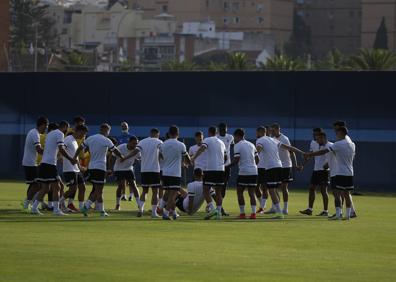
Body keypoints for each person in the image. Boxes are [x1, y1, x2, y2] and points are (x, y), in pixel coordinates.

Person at [304, 127, 356, 220]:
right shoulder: (351, 144)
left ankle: (338, 214)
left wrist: (310, 154)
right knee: (346, 194)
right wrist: (328, 164)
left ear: (341, 133)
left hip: (337, 173)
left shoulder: (336, 144)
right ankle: (347, 215)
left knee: (337, 194)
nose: (317, 140)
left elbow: (324, 151)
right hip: (349, 172)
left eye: (318, 138)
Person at [75, 123, 124, 217]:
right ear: (107, 130)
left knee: (96, 190)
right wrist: (122, 157)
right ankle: (86, 207)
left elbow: (80, 147)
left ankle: (101, 211)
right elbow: (115, 150)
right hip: (100, 168)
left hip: (91, 167)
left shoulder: (91, 138)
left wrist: (74, 157)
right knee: (99, 190)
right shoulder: (106, 140)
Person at [256, 126, 304, 219]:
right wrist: (302, 152)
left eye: (256, 132)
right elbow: (289, 147)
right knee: (273, 189)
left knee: (272, 190)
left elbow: (258, 149)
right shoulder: (273, 140)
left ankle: (279, 213)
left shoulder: (260, 140)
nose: (256, 134)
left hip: (271, 167)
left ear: (259, 132)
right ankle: (278, 210)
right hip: (279, 166)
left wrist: (253, 155)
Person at [31, 121, 75, 216]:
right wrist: (71, 159)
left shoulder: (50, 133)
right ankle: (56, 210)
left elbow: (54, 149)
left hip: (44, 163)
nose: (67, 130)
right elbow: (61, 149)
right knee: (57, 187)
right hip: (50, 164)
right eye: (67, 128)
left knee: (45, 188)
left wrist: (57, 155)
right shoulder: (60, 134)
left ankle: (34, 208)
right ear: (65, 127)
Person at [122, 128, 163, 218]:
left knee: (144, 191)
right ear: (157, 134)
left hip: (144, 170)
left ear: (150, 133)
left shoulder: (142, 142)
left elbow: (135, 152)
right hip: (155, 170)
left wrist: (125, 157)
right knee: (155, 192)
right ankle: (153, 213)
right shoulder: (159, 142)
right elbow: (162, 154)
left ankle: (140, 210)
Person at [191, 126, 227, 220]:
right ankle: (218, 212)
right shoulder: (221, 142)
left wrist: (193, 157)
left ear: (209, 132)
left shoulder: (207, 140)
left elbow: (202, 148)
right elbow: (226, 157)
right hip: (221, 169)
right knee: (218, 192)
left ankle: (212, 209)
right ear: (217, 132)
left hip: (211, 169)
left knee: (206, 190)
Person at [159, 125, 191, 220]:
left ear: (169, 133)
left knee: (168, 193)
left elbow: (160, 156)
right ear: (178, 134)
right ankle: (166, 213)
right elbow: (187, 159)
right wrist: (187, 163)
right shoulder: (181, 145)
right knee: (173, 194)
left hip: (165, 172)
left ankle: (171, 212)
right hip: (175, 173)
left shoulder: (163, 144)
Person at [227, 128, 259, 219]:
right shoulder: (252, 144)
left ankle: (242, 214)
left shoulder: (237, 145)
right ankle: (253, 214)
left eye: (234, 137)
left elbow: (236, 160)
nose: (234, 139)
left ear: (237, 136)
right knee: (251, 193)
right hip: (254, 171)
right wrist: (252, 166)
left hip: (244, 172)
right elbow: (258, 160)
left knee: (240, 192)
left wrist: (226, 167)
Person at [271, 123, 302, 215]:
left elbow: (291, 151)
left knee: (284, 187)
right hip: (277, 166)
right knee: (273, 187)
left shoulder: (284, 138)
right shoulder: (271, 139)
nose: (271, 132)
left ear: (277, 129)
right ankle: (275, 207)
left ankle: (285, 208)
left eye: (273, 130)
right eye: (271, 130)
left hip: (286, 166)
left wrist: (295, 165)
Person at [300, 129, 331, 216]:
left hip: (324, 171)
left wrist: (328, 164)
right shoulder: (313, 143)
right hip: (316, 170)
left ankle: (325, 211)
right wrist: (303, 164)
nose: (315, 137)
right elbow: (311, 154)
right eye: (314, 135)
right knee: (311, 188)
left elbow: (322, 153)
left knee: (323, 190)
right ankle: (310, 209)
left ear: (321, 136)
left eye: (316, 135)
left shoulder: (330, 145)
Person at [21, 116, 48, 210]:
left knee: (36, 184)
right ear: (42, 125)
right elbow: (39, 150)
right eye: (46, 126)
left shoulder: (34, 132)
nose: (46, 128)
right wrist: (51, 152)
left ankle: (27, 203)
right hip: (30, 163)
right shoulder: (35, 134)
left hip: (32, 163)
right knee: (37, 185)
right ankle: (26, 204)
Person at [60, 125, 88, 212]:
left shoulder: (75, 141)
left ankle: (81, 207)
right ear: (78, 131)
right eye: (82, 134)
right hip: (69, 169)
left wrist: (80, 166)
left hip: (76, 169)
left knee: (82, 187)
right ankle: (58, 204)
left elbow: (75, 157)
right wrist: (68, 159)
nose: (83, 136)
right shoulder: (68, 139)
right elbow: (61, 149)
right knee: (73, 189)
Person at [110, 136, 141, 211]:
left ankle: (140, 205)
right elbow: (112, 157)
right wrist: (111, 169)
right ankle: (118, 205)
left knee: (133, 185)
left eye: (136, 144)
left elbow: (138, 159)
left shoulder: (136, 150)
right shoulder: (121, 147)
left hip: (129, 169)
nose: (135, 145)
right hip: (118, 169)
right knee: (120, 186)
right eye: (134, 143)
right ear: (129, 142)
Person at [216, 122, 234, 216]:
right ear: (219, 129)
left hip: (227, 166)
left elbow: (232, 147)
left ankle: (219, 207)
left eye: (225, 128)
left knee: (223, 187)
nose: (224, 130)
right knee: (216, 187)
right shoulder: (216, 137)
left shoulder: (230, 137)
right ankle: (215, 207)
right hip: (217, 166)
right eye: (222, 128)